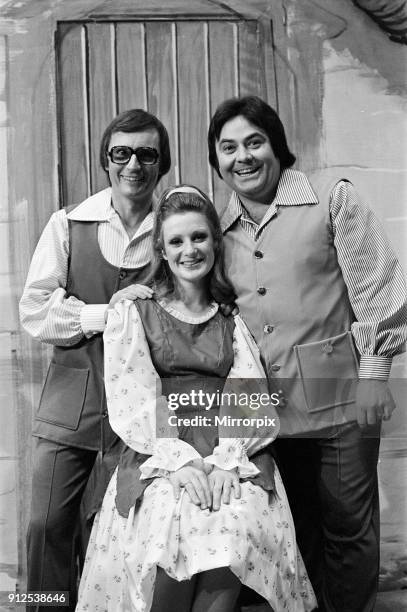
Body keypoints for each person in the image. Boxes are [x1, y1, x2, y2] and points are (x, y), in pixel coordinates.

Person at [207, 95, 407, 612]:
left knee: (347, 528)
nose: (243, 157)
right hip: (263, 414)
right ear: (217, 162)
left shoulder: (331, 198)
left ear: (278, 146)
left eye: (255, 142)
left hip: (342, 401)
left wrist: (375, 375)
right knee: (293, 534)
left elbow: (380, 289)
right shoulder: (217, 230)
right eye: (228, 148)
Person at [75, 185, 317, 612]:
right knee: (169, 520)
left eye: (199, 237)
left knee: (232, 523)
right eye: (177, 241)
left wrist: (227, 461)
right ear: (162, 251)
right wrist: (181, 461)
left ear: (215, 242)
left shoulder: (231, 318)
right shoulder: (135, 313)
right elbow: (134, 395)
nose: (190, 249)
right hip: (160, 448)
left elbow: (249, 391)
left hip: (232, 446)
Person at [19, 108, 171, 611]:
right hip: (70, 407)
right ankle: (43, 607)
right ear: (105, 161)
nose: (134, 164)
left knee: (117, 539)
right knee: (45, 528)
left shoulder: (176, 227)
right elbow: (36, 313)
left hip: (145, 415)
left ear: (162, 163)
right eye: (121, 153)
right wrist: (108, 315)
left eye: (146, 154)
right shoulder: (68, 224)